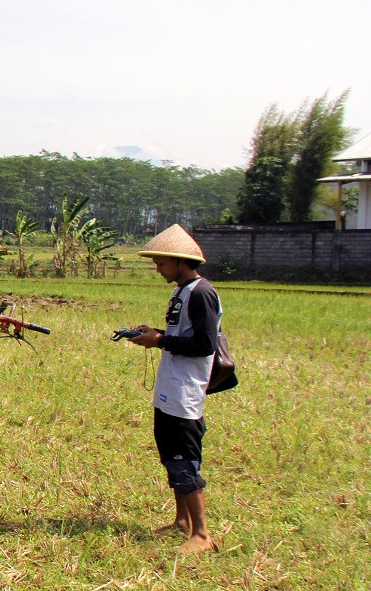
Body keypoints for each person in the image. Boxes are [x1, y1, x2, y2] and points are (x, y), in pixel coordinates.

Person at [128, 224, 221, 554]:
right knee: (171, 457)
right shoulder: (182, 291)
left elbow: (205, 344)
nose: (157, 268)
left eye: (161, 262)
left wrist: (160, 340)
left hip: (185, 393)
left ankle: (202, 534)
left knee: (184, 459)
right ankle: (182, 521)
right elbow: (180, 334)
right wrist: (153, 333)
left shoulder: (202, 293)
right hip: (170, 388)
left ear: (180, 261)